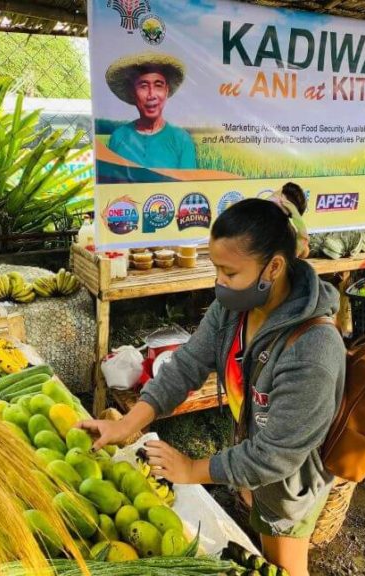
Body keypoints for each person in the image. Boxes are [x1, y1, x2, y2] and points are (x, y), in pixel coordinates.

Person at [79, 191, 346, 576]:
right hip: (254, 453)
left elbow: (274, 457)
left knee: (284, 563)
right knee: (260, 539)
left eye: (230, 273)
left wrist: (192, 469)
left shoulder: (313, 351)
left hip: (291, 480)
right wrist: (126, 424)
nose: (219, 282)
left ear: (273, 267)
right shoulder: (235, 307)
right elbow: (186, 365)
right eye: (216, 269)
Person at [105, 52, 196, 170]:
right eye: (143, 86)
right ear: (133, 92)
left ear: (166, 91)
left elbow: (188, 186)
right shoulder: (119, 138)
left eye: (158, 85)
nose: (151, 95)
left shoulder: (181, 140)